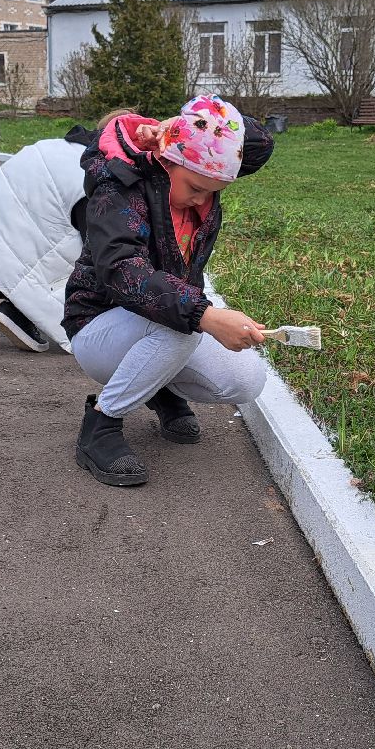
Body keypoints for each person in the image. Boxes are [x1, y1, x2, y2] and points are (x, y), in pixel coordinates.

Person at [64, 95, 274, 487]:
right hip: (97, 328)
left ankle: (155, 385)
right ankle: (102, 424)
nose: (202, 200)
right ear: (167, 161)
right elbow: (123, 271)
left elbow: (261, 144)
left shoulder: (197, 167)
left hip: (158, 327)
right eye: (195, 188)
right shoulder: (119, 187)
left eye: (213, 193)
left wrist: (199, 119)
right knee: (185, 323)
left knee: (245, 380)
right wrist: (207, 316)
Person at [0, 123, 94, 353]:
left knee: (58, 234)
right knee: (104, 252)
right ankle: (24, 311)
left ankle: (18, 311)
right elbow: (104, 260)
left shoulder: (60, 147)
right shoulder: (95, 182)